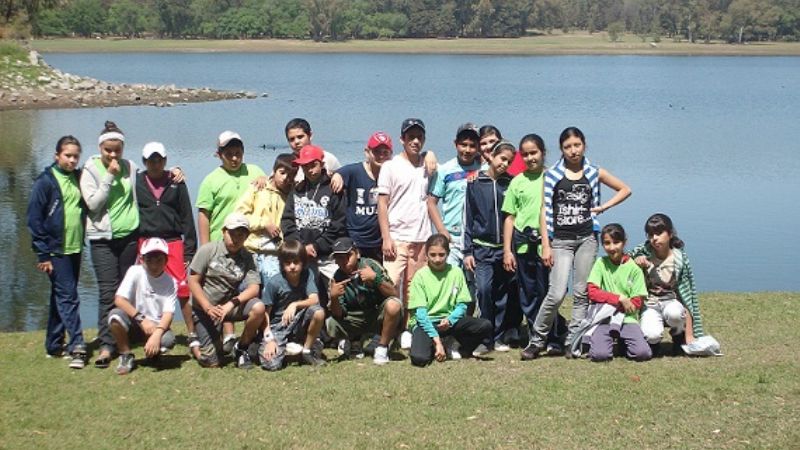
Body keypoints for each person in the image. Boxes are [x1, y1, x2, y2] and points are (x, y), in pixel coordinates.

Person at [526, 126, 632, 359]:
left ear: (584, 145)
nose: (573, 151)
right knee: (556, 293)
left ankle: (572, 342)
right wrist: (546, 244)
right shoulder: (552, 174)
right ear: (561, 150)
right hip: (560, 241)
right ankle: (536, 341)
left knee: (582, 292)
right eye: (567, 147)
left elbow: (625, 189)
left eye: (577, 145)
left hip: (587, 238)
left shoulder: (594, 171)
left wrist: (604, 207)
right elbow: (544, 210)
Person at [81, 121, 141, 369]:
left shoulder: (131, 167)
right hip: (102, 239)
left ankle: (127, 334)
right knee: (108, 292)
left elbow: (148, 182)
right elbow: (93, 204)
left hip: (129, 237)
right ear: (100, 148)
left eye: (117, 149)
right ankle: (107, 344)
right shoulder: (91, 169)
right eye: (108, 150)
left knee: (128, 290)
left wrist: (176, 172)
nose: (113, 155)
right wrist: (109, 175)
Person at [501, 134, 566, 359]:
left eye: (534, 153)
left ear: (543, 152)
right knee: (528, 294)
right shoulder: (517, 181)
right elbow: (509, 217)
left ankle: (555, 338)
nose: (530, 158)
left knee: (550, 292)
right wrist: (507, 250)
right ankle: (536, 336)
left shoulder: (552, 178)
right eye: (525, 154)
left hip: (548, 244)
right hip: (522, 244)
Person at [27, 136, 87, 369]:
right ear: (57, 156)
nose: (71, 160)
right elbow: (34, 219)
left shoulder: (77, 177)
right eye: (67, 155)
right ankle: (77, 345)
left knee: (60, 296)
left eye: (75, 156)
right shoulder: (45, 182)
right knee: (69, 296)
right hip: (55, 251)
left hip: (74, 248)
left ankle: (53, 344)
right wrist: (42, 254)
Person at [135, 142, 198, 358]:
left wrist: (190, 249)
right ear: (144, 162)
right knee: (148, 288)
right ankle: (151, 331)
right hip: (147, 242)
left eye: (159, 159)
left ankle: (192, 333)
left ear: (165, 160)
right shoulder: (137, 182)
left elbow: (187, 216)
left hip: (173, 242)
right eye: (151, 160)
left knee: (182, 290)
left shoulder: (176, 182)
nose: (155, 163)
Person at [377, 118, 434, 349]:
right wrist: (386, 237)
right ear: (402, 139)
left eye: (419, 137)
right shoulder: (390, 166)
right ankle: (384, 332)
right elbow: (383, 204)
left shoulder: (427, 166)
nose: (416, 141)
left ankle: (409, 329)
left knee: (414, 288)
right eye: (411, 137)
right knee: (390, 286)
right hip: (397, 238)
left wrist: (431, 154)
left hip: (421, 237)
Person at [188, 212, 265, 369]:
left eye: (241, 234)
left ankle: (241, 347)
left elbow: (254, 288)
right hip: (204, 309)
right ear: (224, 232)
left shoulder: (247, 257)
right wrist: (207, 307)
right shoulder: (208, 250)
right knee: (213, 362)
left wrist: (230, 304)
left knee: (258, 308)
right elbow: (193, 281)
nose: (235, 239)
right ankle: (195, 345)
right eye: (232, 233)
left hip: (227, 308)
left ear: (246, 236)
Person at [463, 139, 517, 354]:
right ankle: (485, 337)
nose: (504, 164)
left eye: (509, 161)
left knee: (502, 295)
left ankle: (498, 336)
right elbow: (468, 216)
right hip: (481, 248)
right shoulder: (475, 182)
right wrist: (467, 250)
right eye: (502, 158)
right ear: (491, 157)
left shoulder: (510, 183)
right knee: (484, 291)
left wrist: (509, 250)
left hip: (502, 249)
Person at [408, 234, 492, 367]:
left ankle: (458, 346)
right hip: (426, 323)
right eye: (433, 255)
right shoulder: (420, 276)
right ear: (426, 254)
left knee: (485, 325)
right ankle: (437, 343)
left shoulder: (456, 272)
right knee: (419, 359)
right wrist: (437, 341)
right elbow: (420, 314)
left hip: (448, 321)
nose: (437, 259)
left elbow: (462, 305)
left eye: (441, 255)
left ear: (448, 253)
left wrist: (450, 320)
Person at [629, 213, 706, 351]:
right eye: (651, 235)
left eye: (659, 233)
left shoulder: (680, 259)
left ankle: (679, 336)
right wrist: (636, 262)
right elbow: (625, 262)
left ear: (670, 234)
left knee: (675, 314)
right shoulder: (642, 253)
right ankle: (653, 343)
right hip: (650, 303)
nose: (655, 238)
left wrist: (689, 335)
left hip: (671, 301)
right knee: (651, 335)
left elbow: (688, 297)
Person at [280, 144, 347, 299]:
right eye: (305, 166)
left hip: (328, 256)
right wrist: (301, 247)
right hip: (302, 255)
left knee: (336, 296)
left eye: (313, 165)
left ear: (322, 164)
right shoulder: (297, 190)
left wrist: (316, 245)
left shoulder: (333, 189)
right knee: (305, 297)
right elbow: (287, 221)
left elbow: (338, 224)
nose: (309, 170)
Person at [327, 237, 402, 365]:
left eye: (347, 256)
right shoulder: (337, 278)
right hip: (355, 318)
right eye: (339, 257)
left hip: (375, 314)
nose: (344, 261)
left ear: (357, 254)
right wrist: (334, 298)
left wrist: (375, 279)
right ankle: (354, 342)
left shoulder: (371, 265)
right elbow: (339, 314)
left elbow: (394, 293)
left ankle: (382, 347)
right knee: (331, 322)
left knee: (394, 305)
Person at [108, 238, 178, 375]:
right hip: (135, 322)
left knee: (168, 340)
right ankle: (125, 355)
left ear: (166, 260)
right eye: (149, 260)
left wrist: (157, 334)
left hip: (155, 325)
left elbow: (168, 314)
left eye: (159, 260)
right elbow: (119, 300)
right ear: (141, 259)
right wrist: (141, 319)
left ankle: (153, 353)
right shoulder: (135, 271)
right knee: (115, 316)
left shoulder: (171, 282)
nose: (154, 265)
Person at [585, 224, 651, 362]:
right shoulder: (600, 263)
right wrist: (620, 299)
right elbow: (592, 292)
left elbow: (636, 302)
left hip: (627, 318)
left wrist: (609, 302)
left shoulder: (634, 268)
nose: (612, 247)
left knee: (642, 353)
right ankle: (604, 342)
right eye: (607, 243)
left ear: (624, 242)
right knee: (599, 355)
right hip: (604, 318)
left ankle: (622, 342)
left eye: (616, 242)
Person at [259, 239, 327, 370]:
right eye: (288, 263)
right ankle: (276, 347)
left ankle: (306, 351)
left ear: (303, 262)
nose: (292, 266)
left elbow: (314, 299)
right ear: (282, 264)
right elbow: (265, 313)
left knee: (318, 312)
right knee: (271, 364)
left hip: (299, 322)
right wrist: (269, 339)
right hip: (278, 326)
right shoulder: (274, 283)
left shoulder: (307, 275)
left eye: (296, 262)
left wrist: (295, 304)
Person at [329, 131, 394, 261]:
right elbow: (338, 173)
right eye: (376, 151)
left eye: (385, 152)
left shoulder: (393, 173)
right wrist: (337, 176)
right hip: (356, 238)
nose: (381, 155)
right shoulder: (354, 171)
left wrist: (428, 155)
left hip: (380, 240)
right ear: (367, 152)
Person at [236, 153, 297, 285]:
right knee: (248, 290)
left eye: (291, 175)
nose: (286, 178)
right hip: (251, 250)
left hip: (276, 254)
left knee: (273, 291)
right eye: (282, 173)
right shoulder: (258, 188)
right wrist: (263, 223)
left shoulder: (292, 196)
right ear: (274, 172)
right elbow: (239, 217)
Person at [196, 130, 266, 245]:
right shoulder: (210, 180)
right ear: (219, 155)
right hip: (220, 242)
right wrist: (205, 247)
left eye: (238, 153)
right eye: (229, 154)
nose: (234, 158)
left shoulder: (255, 171)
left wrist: (265, 179)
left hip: (252, 241)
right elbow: (203, 215)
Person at [428, 123, 482, 268]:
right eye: (463, 145)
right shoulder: (445, 170)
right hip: (452, 236)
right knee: (449, 283)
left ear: (478, 147)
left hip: (475, 238)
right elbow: (431, 202)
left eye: (472, 145)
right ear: (455, 144)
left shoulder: (484, 169)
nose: (467, 150)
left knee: (472, 285)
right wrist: (441, 230)